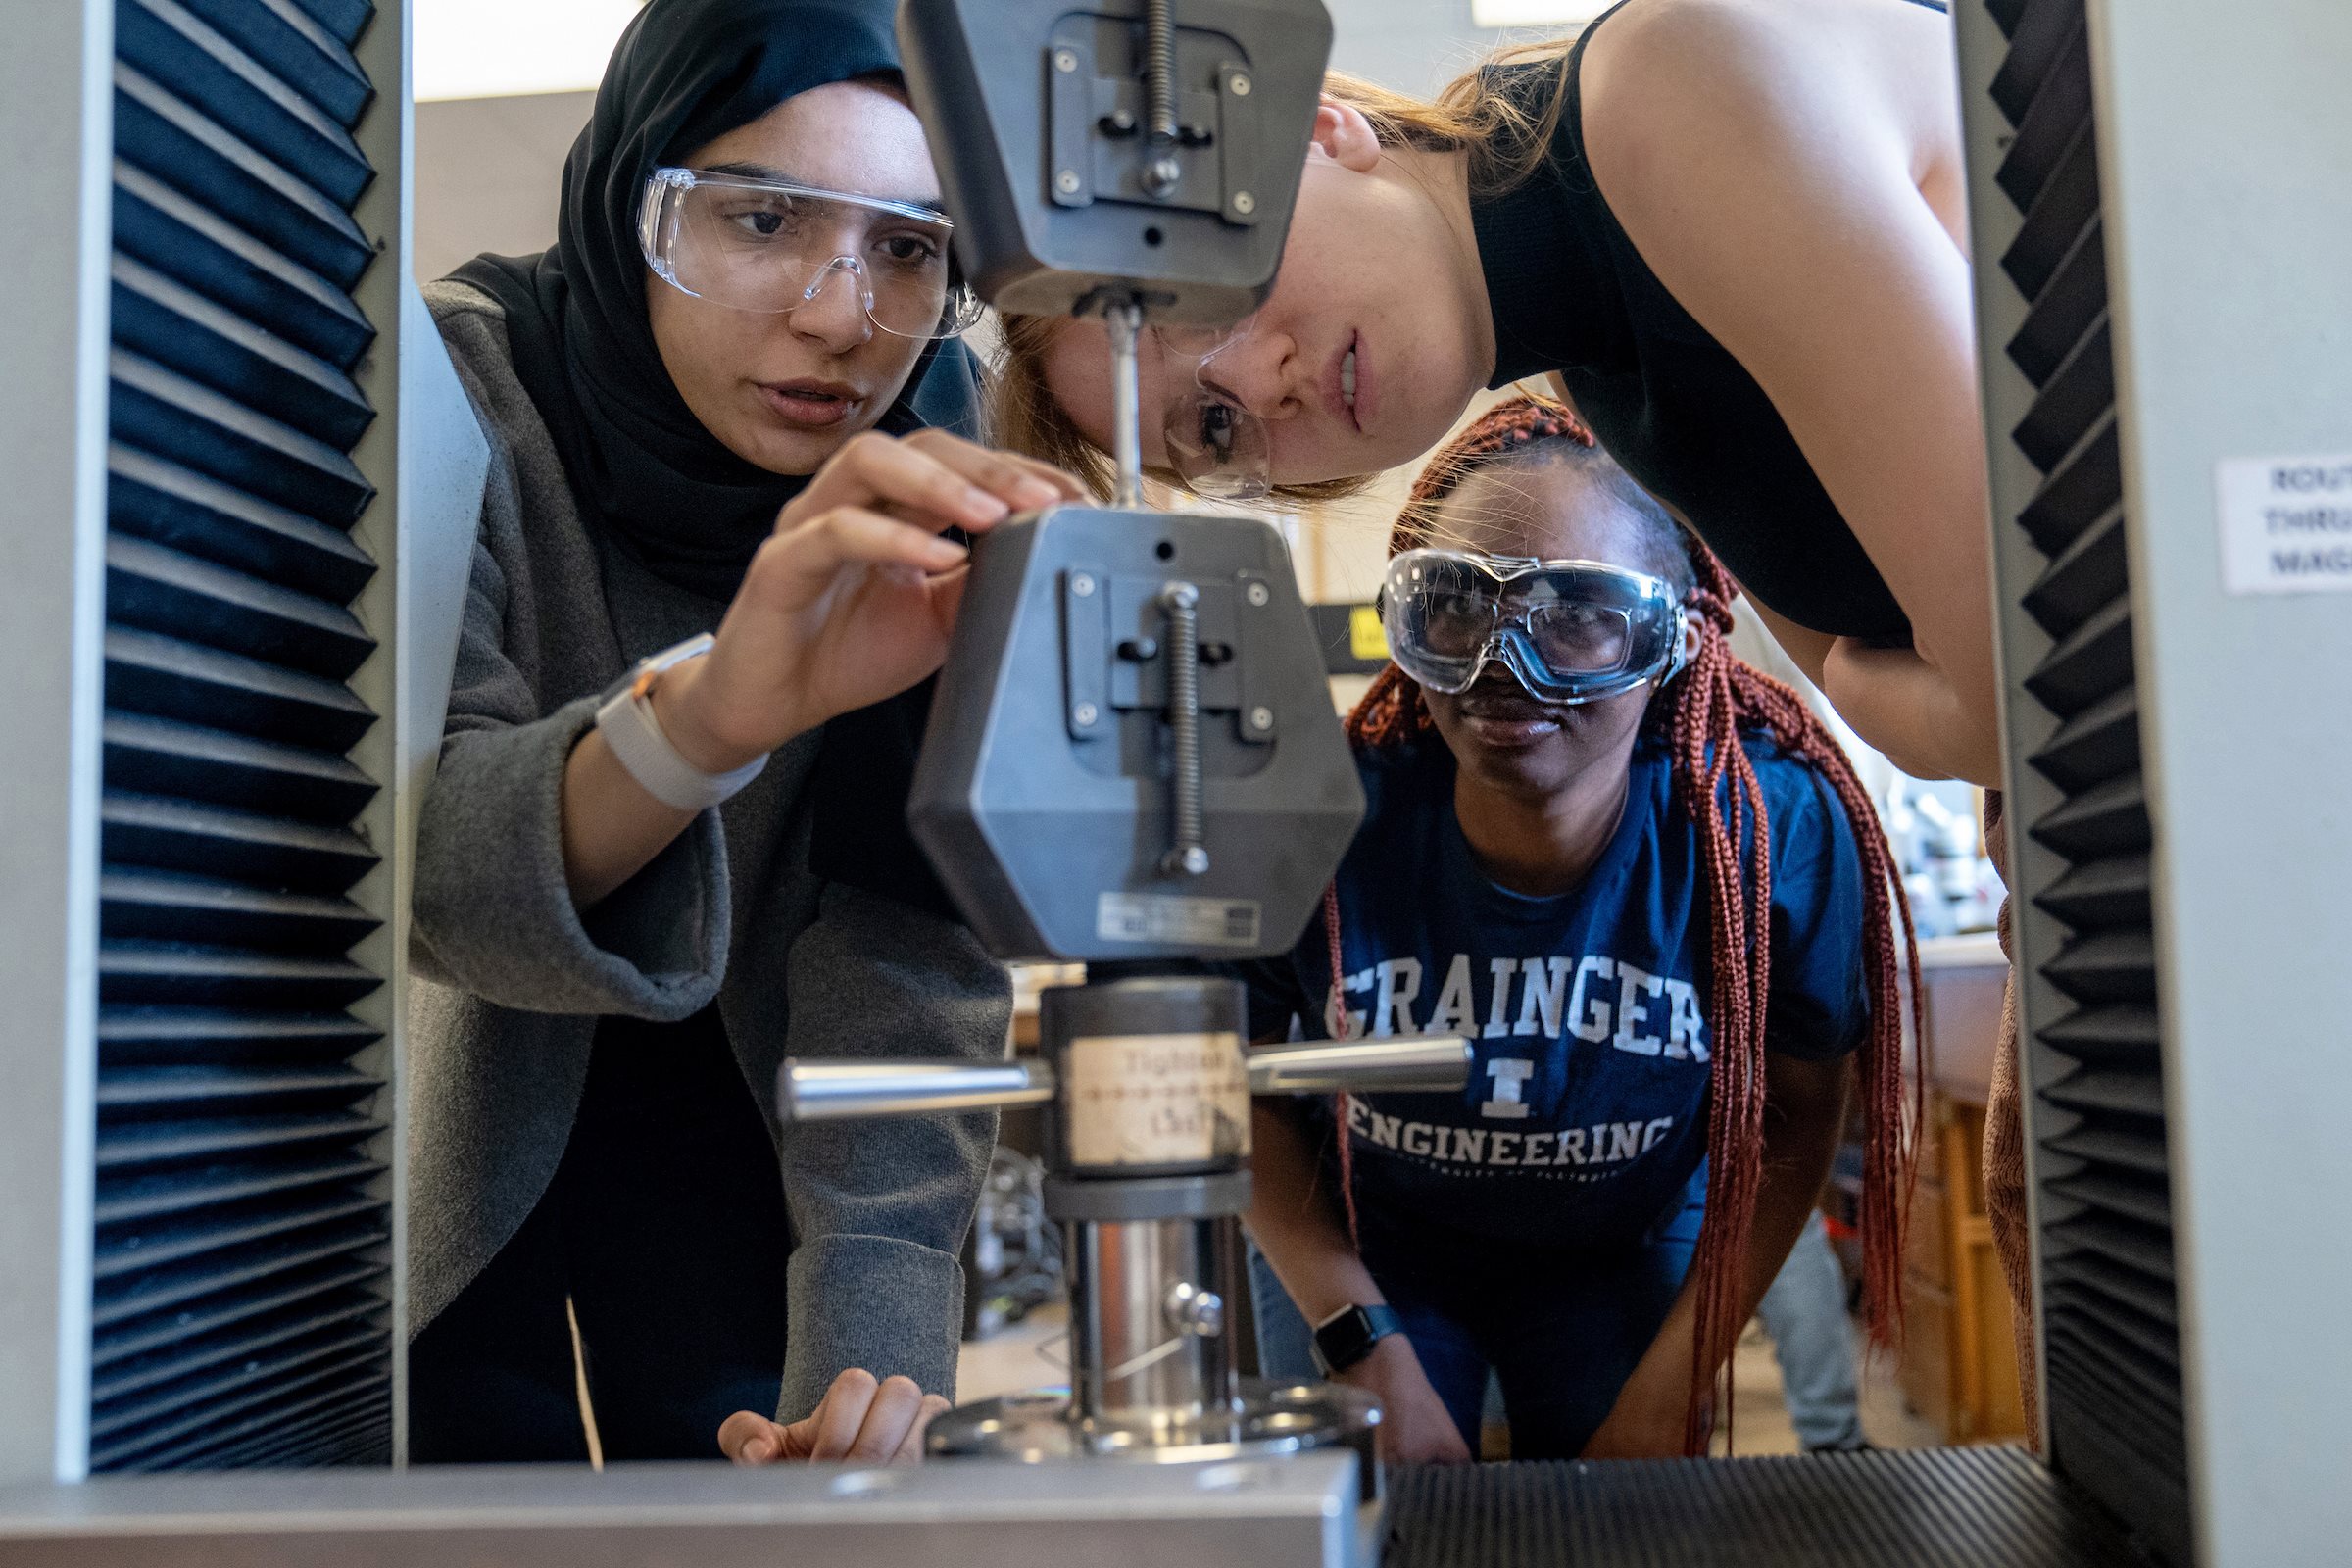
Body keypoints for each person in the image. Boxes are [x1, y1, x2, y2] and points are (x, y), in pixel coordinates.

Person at [406, 0, 1082, 1464]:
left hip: (771, 1129)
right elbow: (434, 888)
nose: (841, 315)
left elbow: (910, 941)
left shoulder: (937, 455)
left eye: (908, 248)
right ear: (630, 189)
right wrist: (717, 715)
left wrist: (880, 1354)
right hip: (434, 1135)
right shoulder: (450, 389)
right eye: (763, 218)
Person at [1238, 398, 1917, 1460]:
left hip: (1622, 1238)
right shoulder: (1325, 812)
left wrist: (1671, 1390)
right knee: (1373, 1523)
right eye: (1452, 606)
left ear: (1672, 638)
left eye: (1580, 614)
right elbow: (1233, 1083)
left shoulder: (1766, 828)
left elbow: (1792, 1117)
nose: (1508, 665)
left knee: (1625, 1521)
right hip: (1373, 1243)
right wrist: (1357, 1333)